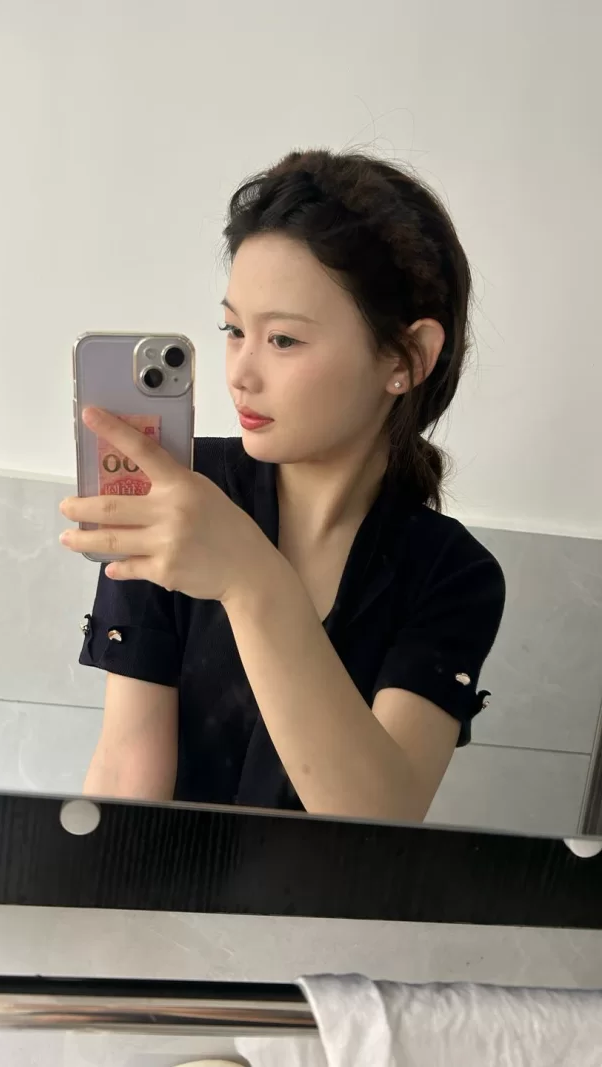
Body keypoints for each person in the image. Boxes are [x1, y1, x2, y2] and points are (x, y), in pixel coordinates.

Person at [59, 149, 505, 821]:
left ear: (408, 357)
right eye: (234, 330)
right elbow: (128, 773)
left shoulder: (453, 576)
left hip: (331, 894)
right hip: (159, 884)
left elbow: (382, 822)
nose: (240, 373)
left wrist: (252, 579)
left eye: (284, 340)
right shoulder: (178, 494)